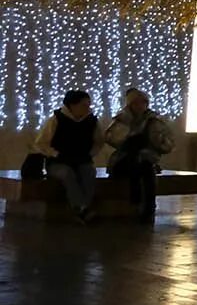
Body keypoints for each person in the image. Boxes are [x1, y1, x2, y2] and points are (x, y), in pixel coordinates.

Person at [103, 88, 175, 222]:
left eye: (142, 103)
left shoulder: (153, 121)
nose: (139, 106)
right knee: (139, 165)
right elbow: (110, 137)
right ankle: (139, 205)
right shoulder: (122, 119)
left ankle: (146, 207)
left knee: (146, 169)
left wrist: (156, 140)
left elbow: (167, 143)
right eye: (135, 103)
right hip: (123, 159)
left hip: (145, 159)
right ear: (129, 105)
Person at [30, 91, 101, 223]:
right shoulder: (57, 119)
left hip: (81, 160)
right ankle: (81, 208)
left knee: (89, 172)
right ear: (72, 106)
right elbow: (41, 143)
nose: (87, 108)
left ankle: (83, 208)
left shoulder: (91, 121)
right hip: (58, 161)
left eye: (88, 105)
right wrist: (56, 154)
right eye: (83, 105)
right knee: (67, 173)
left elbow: (99, 141)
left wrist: (90, 154)